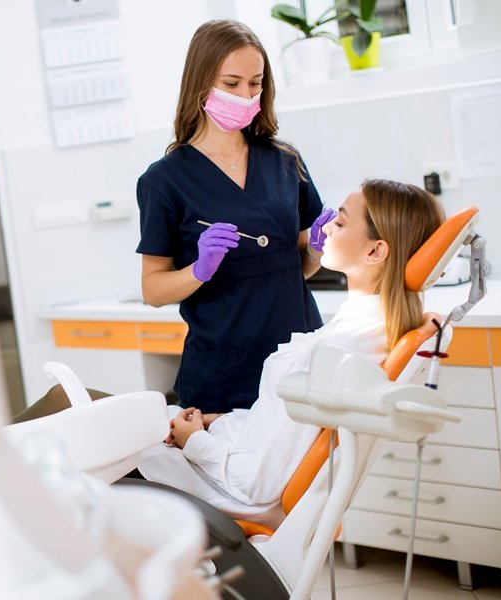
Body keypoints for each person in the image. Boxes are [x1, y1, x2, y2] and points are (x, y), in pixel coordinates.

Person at [136, 179, 445, 527]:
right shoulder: (362, 325)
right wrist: (215, 422)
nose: (325, 226)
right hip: (225, 448)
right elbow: (275, 429)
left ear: (375, 251)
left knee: (81, 420)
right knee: (100, 415)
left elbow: (257, 484)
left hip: (227, 490)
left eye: (340, 222)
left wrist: (194, 442)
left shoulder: (341, 349)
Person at [137, 20, 335, 414]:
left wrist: (314, 250)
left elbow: (299, 269)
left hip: (297, 359)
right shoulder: (164, 180)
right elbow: (153, 290)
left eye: (255, 83)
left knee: (307, 475)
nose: (246, 95)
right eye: (231, 84)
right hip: (224, 373)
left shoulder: (285, 161)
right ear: (201, 83)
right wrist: (199, 270)